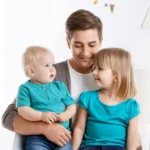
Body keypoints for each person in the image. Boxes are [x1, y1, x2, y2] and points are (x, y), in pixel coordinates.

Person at [2, 9, 141, 149]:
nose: (85, 52)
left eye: (92, 45)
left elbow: (129, 122)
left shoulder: (113, 75)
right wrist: (44, 128)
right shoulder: (51, 74)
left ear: (101, 41)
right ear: (68, 43)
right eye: (78, 45)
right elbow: (8, 116)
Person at [72, 48, 141, 150]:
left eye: (100, 68)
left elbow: (133, 139)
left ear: (116, 76)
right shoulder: (87, 98)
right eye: (94, 67)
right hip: (90, 146)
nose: (94, 72)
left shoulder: (131, 105)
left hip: (117, 147)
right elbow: (79, 128)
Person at [16, 46, 76, 150]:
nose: (53, 68)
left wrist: (67, 114)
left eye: (53, 64)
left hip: (62, 134)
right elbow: (23, 110)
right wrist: (41, 115)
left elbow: (71, 105)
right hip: (37, 137)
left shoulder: (60, 86)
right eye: (47, 65)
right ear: (32, 71)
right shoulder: (25, 89)